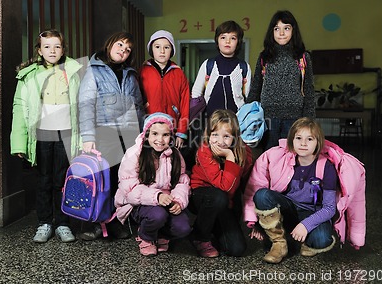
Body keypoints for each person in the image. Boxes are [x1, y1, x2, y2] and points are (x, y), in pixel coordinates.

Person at [10, 29, 82, 243]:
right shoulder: (28, 75)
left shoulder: (75, 71)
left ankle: (63, 223)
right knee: (43, 179)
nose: (53, 50)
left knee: (63, 179)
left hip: (67, 133)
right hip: (42, 133)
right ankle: (44, 223)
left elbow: (85, 105)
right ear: (39, 50)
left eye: (57, 46)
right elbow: (20, 108)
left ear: (63, 49)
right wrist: (19, 143)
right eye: (47, 46)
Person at [78, 31, 145, 240]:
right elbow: (86, 104)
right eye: (120, 45)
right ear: (109, 44)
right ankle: (95, 222)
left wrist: (143, 135)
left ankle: (116, 222)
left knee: (121, 180)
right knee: (101, 180)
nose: (123, 51)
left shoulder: (130, 74)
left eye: (128, 49)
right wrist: (88, 136)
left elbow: (139, 106)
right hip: (103, 132)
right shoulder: (94, 71)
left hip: (128, 133)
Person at [243, 117, 338, 264]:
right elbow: (257, 188)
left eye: (309, 139)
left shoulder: (327, 167)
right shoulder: (282, 159)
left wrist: (306, 225)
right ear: (292, 141)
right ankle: (279, 243)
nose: (303, 143)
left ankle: (296, 239)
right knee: (262, 195)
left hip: (310, 212)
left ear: (318, 142)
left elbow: (330, 208)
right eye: (298, 138)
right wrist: (257, 223)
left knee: (322, 240)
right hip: (286, 209)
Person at [114, 112, 192, 256]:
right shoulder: (134, 154)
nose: (160, 140)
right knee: (158, 214)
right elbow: (129, 188)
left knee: (183, 227)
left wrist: (178, 201)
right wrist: (157, 196)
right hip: (138, 203)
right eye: (155, 134)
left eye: (165, 135)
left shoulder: (175, 155)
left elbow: (182, 181)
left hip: (167, 200)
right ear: (147, 134)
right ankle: (146, 236)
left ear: (171, 137)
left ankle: (162, 235)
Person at [247, 10, 315, 149]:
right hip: (268, 116)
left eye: (286, 28)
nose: (281, 33)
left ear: (293, 30)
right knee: (269, 157)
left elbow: (309, 90)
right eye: (277, 29)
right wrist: (247, 113)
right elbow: (256, 87)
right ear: (272, 32)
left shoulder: (303, 57)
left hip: (294, 117)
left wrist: (309, 121)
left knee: (290, 156)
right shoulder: (264, 56)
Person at [189, 109, 253, 258]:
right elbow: (224, 187)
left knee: (236, 249)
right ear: (209, 135)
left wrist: (253, 219)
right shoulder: (205, 151)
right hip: (202, 195)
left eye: (226, 136)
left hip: (227, 201)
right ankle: (199, 236)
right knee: (219, 196)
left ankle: (214, 230)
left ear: (235, 138)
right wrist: (230, 157)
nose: (219, 141)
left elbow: (247, 185)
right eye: (215, 135)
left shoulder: (244, 152)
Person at [139, 30, 190, 149]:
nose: (162, 51)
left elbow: (185, 104)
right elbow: (136, 100)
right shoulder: (142, 71)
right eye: (157, 47)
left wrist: (181, 133)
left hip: (172, 127)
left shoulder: (179, 73)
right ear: (152, 49)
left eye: (166, 47)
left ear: (171, 50)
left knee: (170, 162)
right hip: (149, 128)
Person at [191, 20, 251, 117]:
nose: (227, 41)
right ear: (217, 40)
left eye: (233, 38)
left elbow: (249, 96)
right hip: (210, 120)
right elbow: (196, 93)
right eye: (223, 37)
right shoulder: (208, 64)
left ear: (238, 42)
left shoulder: (244, 67)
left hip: (237, 122)